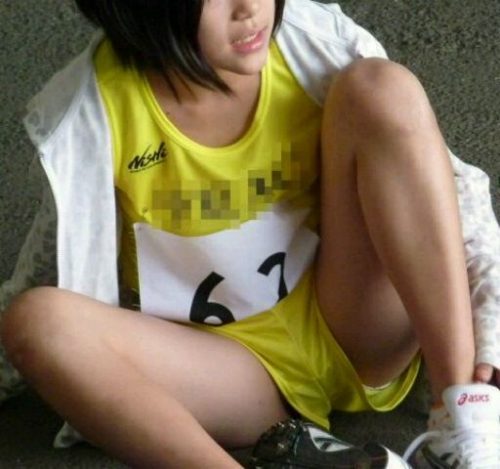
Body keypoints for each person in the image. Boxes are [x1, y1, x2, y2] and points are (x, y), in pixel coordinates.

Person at [0, 0, 499, 467]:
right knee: (34, 321)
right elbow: (56, 257)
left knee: (383, 87)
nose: (248, 9)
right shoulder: (87, 112)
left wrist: (491, 333)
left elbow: (452, 195)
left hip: (357, 321)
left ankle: (462, 421)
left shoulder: (317, 40)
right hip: (229, 374)